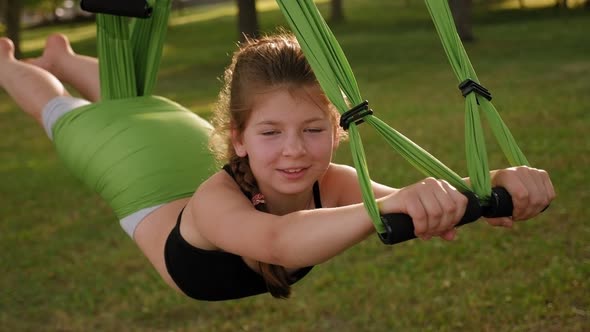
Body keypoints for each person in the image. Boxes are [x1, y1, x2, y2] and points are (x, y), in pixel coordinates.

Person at [0, 32, 555, 301]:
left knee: (139, 107)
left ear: (339, 130)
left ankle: (68, 56)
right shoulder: (218, 201)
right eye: (272, 132)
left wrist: (495, 184)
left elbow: (425, 200)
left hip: (170, 132)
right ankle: (21, 64)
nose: (294, 151)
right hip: (132, 168)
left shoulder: (333, 182)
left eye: (313, 130)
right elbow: (281, 240)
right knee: (64, 112)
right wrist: (386, 205)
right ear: (238, 139)